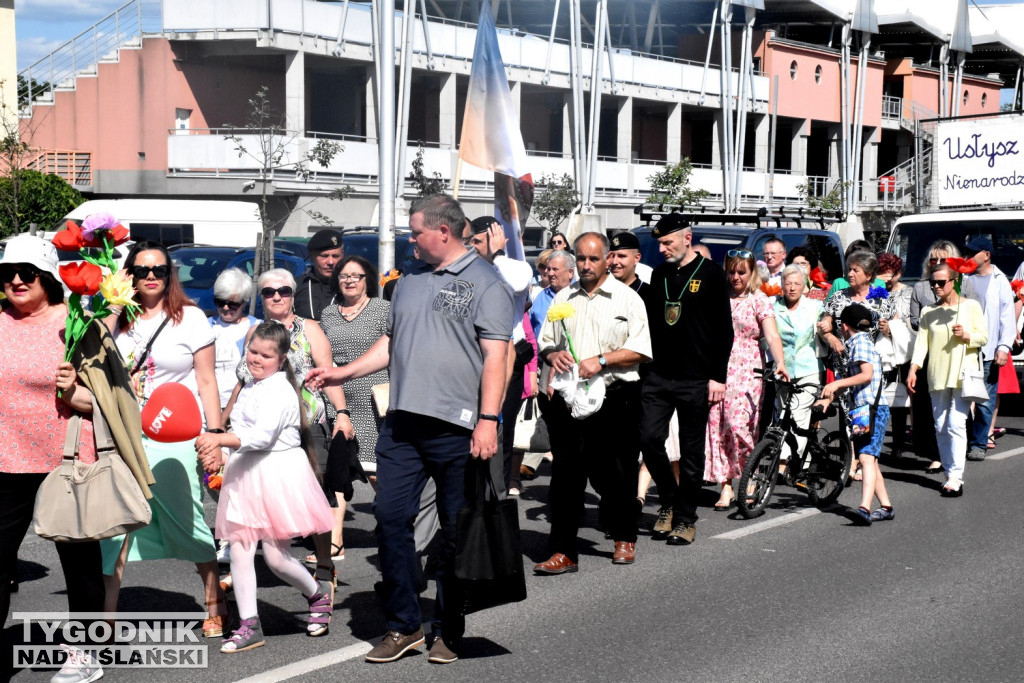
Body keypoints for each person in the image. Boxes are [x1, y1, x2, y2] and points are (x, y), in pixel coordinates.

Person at [306, 194, 514, 664]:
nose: (409, 239)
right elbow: (391, 342)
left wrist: (487, 421)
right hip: (401, 424)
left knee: (456, 533)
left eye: (415, 230)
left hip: (457, 429)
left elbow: (497, 358)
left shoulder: (487, 283)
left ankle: (447, 629)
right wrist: (344, 372)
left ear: (444, 231)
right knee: (391, 519)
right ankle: (404, 626)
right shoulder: (409, 280)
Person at [0, 235, 153, 683]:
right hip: (6, 462)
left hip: (66, 461)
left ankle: (84, 652)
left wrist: (73, 389)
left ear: (47, 277)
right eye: (7, 273)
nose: (15, 280)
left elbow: (110, 400)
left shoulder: (80, 325)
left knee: (79, 563)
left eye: (26, 272)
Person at [100, 240, 227, 639]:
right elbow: (89, 355)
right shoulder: (115, 320)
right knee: (114, 528)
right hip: (121, 434)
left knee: (185, 518)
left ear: (170, 275)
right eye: (141, 270)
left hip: (174, 435)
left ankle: (213, 601)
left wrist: (216, 434)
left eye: (159, 270)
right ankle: (106, 618)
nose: (151, 276)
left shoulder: (189, 318)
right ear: (129, 275)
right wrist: (115, 305)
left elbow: (207, 380)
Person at [196, 322, 335, 652]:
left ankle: (317, 597)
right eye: (253, 351)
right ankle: (249, 624)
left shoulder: (281, 390)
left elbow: (261, 437)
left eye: (266, 355)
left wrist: (218, 439)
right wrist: (224, 459)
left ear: (282, 357)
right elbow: (239, 428)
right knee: (241, 550)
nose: (256, 359)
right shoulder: (249, 386)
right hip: (246, 473)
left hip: (277, 474)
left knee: (275, 558)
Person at [533, 232, 652, 573]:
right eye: (581, 259)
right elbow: (547, 343)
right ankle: (563, 550)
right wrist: (554, 354)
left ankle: (624, 535)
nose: (586, 265)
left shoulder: (627, 299)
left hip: (616, 397)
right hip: (572, 399)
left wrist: (602, 360)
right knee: (566, 477)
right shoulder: (564, 298)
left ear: (606, 260)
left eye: (593, 259)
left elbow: (642, 349)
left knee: (616, 473)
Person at [231, 268, 352, 578]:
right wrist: (221, 422)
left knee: (313, 495)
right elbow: (243, 381)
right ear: (261, 297)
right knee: (259, 494)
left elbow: (327, 373)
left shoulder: (309, 329)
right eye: (269, 292)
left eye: (283, 291)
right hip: (261, 429)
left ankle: (324, 565)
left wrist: (342, 413)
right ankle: (259, 559)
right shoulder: (254, 333)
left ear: (292, 295)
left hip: (306, 426)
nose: (276, 297)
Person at [639, 214, 733, 546]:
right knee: (648, 437)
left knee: (692, 451)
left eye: (667, 242)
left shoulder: (711, 274)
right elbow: (648, 319)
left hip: (696, 378)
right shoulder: (660, 274)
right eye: (659, 244)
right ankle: (669, 498)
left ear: (686, 238)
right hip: (659, 375)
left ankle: (685, 518)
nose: (662, 249)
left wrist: (717, 377)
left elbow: (724, 330)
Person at [705, 250, 788, 510]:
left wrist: (781, 363)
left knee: (740, 424)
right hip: (718, 367)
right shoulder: (719, 297)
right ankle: (726, 486)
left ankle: (749, 476)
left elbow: (772, 336)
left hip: (748, 367)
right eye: (731, 271)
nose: (736, 277)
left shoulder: (759, 299)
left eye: (741, 272)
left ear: (751, 273)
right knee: (718, 427)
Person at [318, 255, 390, 554]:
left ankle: (395, 522)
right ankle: (335, 541)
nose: (349, 280)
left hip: (372, 394)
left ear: (367, 280)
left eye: (355, 276)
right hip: (338, 396)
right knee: (338, 466)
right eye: (344, 276)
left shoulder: (382, 310)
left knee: (375, 471)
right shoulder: (328, 314)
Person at [465, 216, 534, 491]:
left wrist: (497, 254)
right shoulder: (467, 268)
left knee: (499, 434)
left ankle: (498, 496)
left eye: (479, 242)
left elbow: (517, 284)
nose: (473, 247)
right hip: (472, 358)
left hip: (507, 360)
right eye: (472, 241)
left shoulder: (516, 267)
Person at [908, 262, 988, 497]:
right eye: (933, 282)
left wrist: (966, 336)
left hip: (963, 373)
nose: (936, 286)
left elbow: (983, 337)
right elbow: (922, 344)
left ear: (954, 281)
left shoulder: (971, 307)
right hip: (936, 374)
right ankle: (948, 474)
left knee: (955, 423)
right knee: (941, 426)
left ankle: (955, 477)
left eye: (941, 282)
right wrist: (914, 369)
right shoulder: (928, 312)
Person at [818, 304, 893, 524]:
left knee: (866, 458)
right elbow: (852, 383)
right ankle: (886, 506)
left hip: (873, 408)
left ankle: (864, 509)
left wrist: (837, 383)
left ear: (844, 325)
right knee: (871, 459)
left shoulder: (859, 342)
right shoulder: (857, 342)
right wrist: (829, 395)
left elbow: (866, 375)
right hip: (862, 409)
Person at [962, 236, 1016, 461]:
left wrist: (1004, 346)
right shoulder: (963, 278)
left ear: (987, 254)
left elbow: (1006, 316)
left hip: (988, 348)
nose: (970, 257)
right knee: (962, 398)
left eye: (974, 252)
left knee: (984, 400)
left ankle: (979, 443)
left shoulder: (999, 279)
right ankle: (964, 439)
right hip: (964, 348)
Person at [773, 265, 824, 472]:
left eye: (797, 284)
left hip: (808, 367)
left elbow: (827, 323)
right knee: (783, 413)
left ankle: (785, 462)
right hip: (783, 368)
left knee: (798, 414)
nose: (792, 288)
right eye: (788, 283)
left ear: (805, 286)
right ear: (782, 286)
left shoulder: (814, 307)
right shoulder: (774, 307)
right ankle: (804, 457)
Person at [875, 253, 913, 459]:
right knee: (878, 398)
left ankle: (898, 444)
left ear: (898, 273)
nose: (886, 279)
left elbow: (912, 323)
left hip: (902, 352)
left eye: (890, 274)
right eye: (880, 273)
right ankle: (874, 443)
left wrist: (893, 328)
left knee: (899, 399)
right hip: (878, 351)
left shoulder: (909, 293)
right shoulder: (874, 292)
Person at [209, 268, 260, 409]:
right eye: (220, 302)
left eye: (232, 304)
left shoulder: (257, 328)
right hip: (207, 404)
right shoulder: (205, 325)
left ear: (244, 303)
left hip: (242, 407)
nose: (225, 308)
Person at [294, 228, 344, 320]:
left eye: (335, 256)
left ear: (342, 256)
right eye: (324, 256)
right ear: (312, 257)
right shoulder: (297, 286)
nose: (330, 262)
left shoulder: (350, 287)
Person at [528, 249, 574, 340]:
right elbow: (531, 329)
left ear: (570, 272)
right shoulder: (541, 296)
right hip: (543, 353)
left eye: (555, 269)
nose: (550, 273)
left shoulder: (580, 294)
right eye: (548, 269)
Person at [607, 231, 649, 296]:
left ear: (637, 258)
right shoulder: (601, 291)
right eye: (612, 256)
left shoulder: (651, 296)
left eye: (621, 256)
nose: (614, 262)